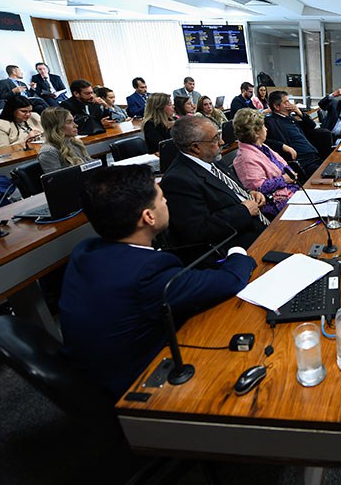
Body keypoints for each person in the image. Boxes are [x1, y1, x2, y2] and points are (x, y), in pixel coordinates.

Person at [60, 164, 256, 398]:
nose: (167, 203)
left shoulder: (85, 250)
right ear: (148, 216)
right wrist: (237, 252)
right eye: (162, 198)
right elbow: (230, 280)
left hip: (91, 373)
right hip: (138, 386)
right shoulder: (147, 272)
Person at [159, 116, 268, 255]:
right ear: (196, 147)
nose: (222, 142)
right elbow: (198, 230)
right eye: (215, 138)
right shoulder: (178, 180)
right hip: (240, 247)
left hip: (260, 228)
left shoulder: (211, 159)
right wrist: (243, 211)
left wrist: (248, 193)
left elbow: (227, 191)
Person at [233, 108, 299, 218]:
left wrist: (290, 175)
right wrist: (285, 179)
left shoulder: (262, 147)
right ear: (256, 132)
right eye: (263, 126)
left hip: (290, 193)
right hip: (275, 207)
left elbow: (283, 166)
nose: (266, 129)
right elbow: (258, 188)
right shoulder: (245, 158)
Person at [264, 90, 320, 178]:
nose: (290, 105)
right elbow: (262, 141)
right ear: (277, 106)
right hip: (302, 161)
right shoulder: (270, 122)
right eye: (286, 102)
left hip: (313, 156)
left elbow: (312, 126)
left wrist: (300, 113)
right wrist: (282, 146)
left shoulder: (291, 118)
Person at [37, 107, 93, 173]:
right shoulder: (48, 151)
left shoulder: (75, 142)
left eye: (73, 121)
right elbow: (58, 180)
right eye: (69, 122)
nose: (76, 125)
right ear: (56, 126)